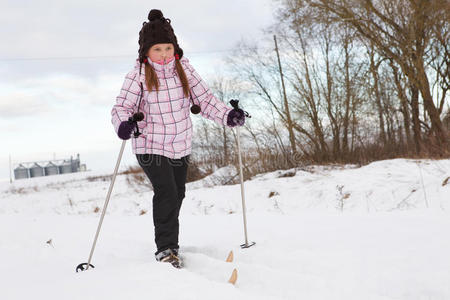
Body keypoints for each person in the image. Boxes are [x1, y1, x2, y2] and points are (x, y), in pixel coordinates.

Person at [111, 9, 246, 268]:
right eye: (157, 49)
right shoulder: (137, 75)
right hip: (150, 144)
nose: (163, 54)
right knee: (167, 193)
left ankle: (171, 243)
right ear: (146, 52)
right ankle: (166, 248)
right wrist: (123, 125)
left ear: (175, 48)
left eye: (167, 48)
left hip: (180, 143)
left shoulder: (185, 70)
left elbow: (204, 100)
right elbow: (121, 108)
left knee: (178, 193)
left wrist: (229, 116)